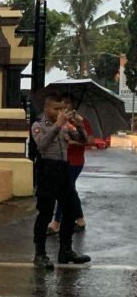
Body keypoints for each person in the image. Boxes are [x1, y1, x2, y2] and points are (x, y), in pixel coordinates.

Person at [32, 94, 91, 269]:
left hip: (64, 168)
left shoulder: (66, 125)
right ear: (46, 108)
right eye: (55, 108)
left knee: (71, 210)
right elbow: (42, 144)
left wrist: (79, 126)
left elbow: (82, 139)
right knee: (45, 212)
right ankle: (40, 254)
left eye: (61, 109)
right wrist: (57, 125)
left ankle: (65, 250)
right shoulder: (38, 125)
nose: (59, 112)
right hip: (47, 170)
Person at [47, 94, 95, 235]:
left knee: (64, 190)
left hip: (75, 162)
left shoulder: (81, 122)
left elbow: (90, 140)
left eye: (67, 103)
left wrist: (73, 141)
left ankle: (56, 223)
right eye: (62, 103)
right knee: (70, 191)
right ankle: (80, 220)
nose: (64, 106)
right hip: (60, 160)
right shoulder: (58, 122)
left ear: (72, 105)